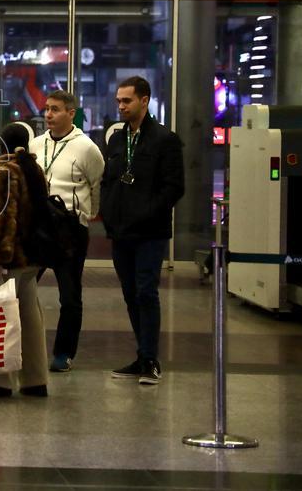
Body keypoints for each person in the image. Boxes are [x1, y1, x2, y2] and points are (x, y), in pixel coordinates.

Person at [100, 75, 184, 386]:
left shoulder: (165, 140)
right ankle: (141, 354)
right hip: (121, 232)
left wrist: (145, 213)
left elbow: (174, 188)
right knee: (129, 293)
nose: (120, 106)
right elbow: (109, 181)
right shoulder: (117, 139)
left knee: (146, 291)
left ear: (144, 101)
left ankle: (150, 359)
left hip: (150, 231)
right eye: (119, 101)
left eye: (127, 101)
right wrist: (109, 212)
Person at [0, 123, 49, 398]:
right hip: (33, 256)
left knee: (1, 315)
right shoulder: (34, 170)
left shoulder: (4, 173)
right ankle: (35, 380)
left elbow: (2, 221)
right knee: (29, 316)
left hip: (11, 257)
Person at [28, 90, 105, 373]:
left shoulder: (86, 147)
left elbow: (97, 184)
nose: (48, 114)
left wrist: (86, 215)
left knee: (70, 297)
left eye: (56, 110)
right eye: (47, 109)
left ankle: (64, 353)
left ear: (71, 113)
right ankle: (21, 347)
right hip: (38, 228)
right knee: (21, 289)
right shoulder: (36, 144)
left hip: (69, 230)